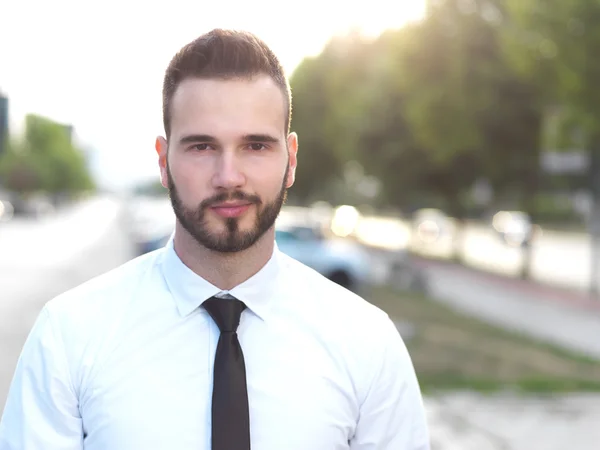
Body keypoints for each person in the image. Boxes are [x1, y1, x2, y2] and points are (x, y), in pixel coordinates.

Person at [0, 29, 431, 450]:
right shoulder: (69, 336)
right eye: (203, 146)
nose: (229, 177)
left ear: (291, 159)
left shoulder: (368, 343)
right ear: (164, 162)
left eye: (256, 146)